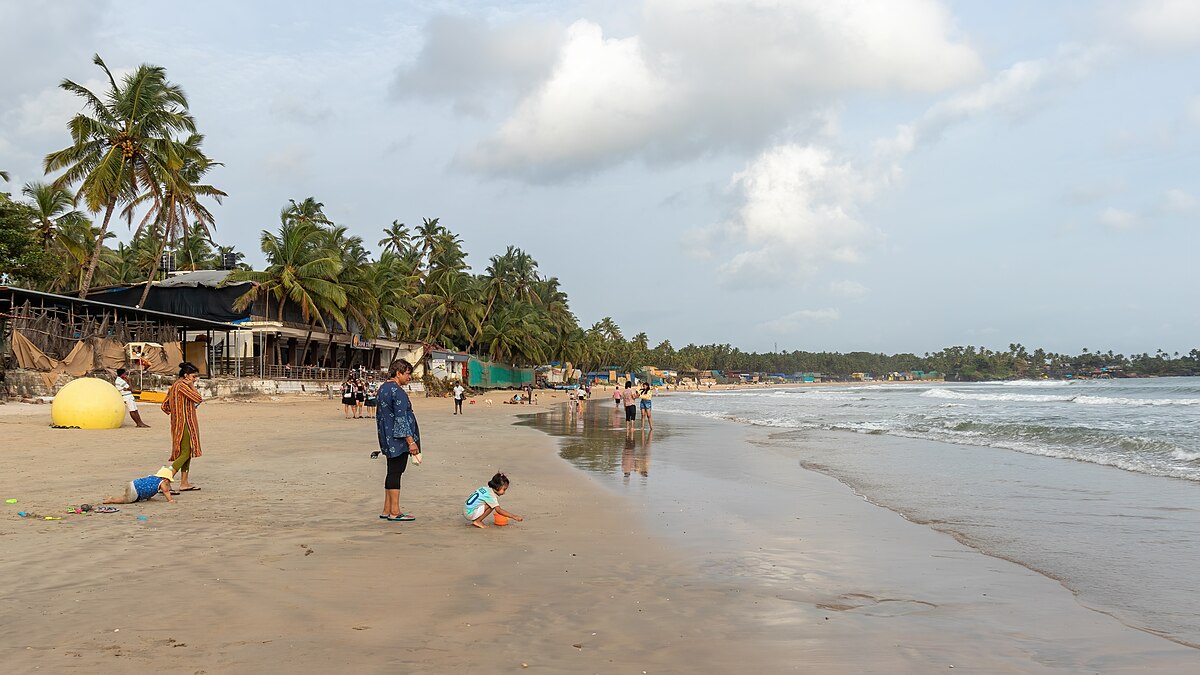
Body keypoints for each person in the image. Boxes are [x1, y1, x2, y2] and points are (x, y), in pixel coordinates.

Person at [375, 359, 421, 522]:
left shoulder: (382, 389)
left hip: (386, 436)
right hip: (398, 439)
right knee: (396, 472)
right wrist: (411, 442)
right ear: (398, 373)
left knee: (391, 471)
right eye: (407, 374)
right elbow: (401, 419)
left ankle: (387, 509)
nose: (409, 377)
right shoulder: (397, 391)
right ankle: (395, 511)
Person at [161, 362, 203, 491]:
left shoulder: (174, 386)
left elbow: (164, 406)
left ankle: (184, 482)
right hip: (185, 423)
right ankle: (166, 480)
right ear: (186, 376)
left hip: (179, 422)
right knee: (185, 452)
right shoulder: (182, 386)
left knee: (187, 451)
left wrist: (175, 411)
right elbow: (198, 398)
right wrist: (191, 386)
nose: (195, 379)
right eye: (193, 377)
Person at [102, 466, 177, 504]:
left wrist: (149, 498)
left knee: (127, 496)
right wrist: (170, 500)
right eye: (169, 481)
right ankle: (112, 500)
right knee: (126, 499)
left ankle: (113, 499)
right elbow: (166, 491)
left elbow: (148, 487)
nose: (168, 484)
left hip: (133, 483)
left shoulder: (152, 477)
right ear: (165, 479)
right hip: (136, 490)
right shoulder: (162, 482)